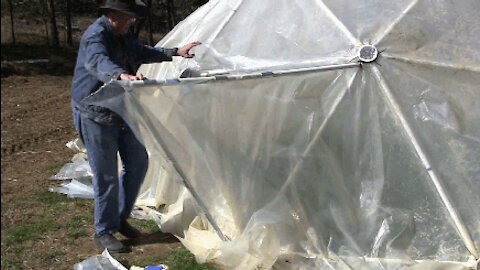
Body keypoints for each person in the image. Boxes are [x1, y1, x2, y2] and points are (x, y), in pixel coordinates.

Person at [70, 0, 201, 253]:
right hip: (94, 111)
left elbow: (139, 52)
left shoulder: (122, 33)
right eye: (128, 17)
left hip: (121, 107)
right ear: (112, 15)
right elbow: (98, 62)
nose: (132, 22)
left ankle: (119, 217)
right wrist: (121, 75)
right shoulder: (94, 37)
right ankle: (104, 231)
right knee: (106, 173)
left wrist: (174, 52)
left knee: (138, 162)